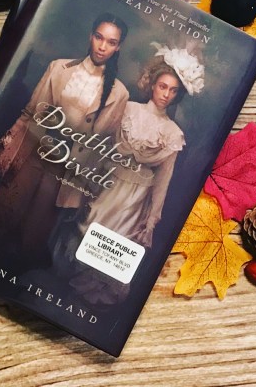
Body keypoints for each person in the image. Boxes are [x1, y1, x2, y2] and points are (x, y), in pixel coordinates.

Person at [0, 13, 130, 268]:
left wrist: (87, 191)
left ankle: (12, 276)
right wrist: (4, 149)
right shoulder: (59, 68)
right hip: (34, 151)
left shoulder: (119, 93)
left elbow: (103, 147)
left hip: (65, 170)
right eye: (99, 37)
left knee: (34, 230)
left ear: (118, 47)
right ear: (90, 36)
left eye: (111, 42)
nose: (102, 46)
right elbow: (29, 113)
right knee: (5, 211)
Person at [70, 44, 204, 303]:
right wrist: (87, 178)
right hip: (107, 184)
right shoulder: (128, 109)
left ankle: (96, 295)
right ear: (152, 84)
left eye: (173, 90)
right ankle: (74, 286)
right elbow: (102, 146)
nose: (166, 94)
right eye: (163, 86)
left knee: (115, 243)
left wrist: (153, 216)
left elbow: (163, 179)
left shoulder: (173, 133)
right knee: (89, 230)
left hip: (135, 197)